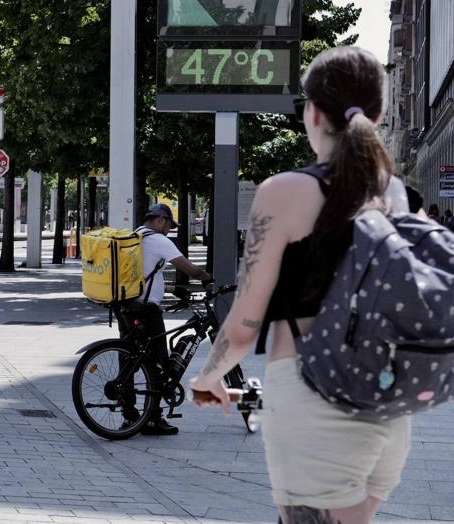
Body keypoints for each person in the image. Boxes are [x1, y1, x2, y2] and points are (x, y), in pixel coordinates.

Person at [188, 47, 412, 523]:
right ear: (377, 114)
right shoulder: (393, 193)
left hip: (314, 401)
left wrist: (209, 377)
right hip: (388, 407)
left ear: (312, 113)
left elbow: (246, 323)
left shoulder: (285, 192)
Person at [118, 203, 211, 435]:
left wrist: (171, 287)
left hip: (127, 305)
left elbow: (144, 274)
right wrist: (208, 277)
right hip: (147, 311)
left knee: (130, 358)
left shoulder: (135, 236)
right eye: (169, 225)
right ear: (160, 220)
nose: (169, 230)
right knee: (159, 363)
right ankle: (153, 419)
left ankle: (130, 416)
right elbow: (188, 267)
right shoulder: (159, 240)